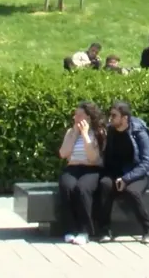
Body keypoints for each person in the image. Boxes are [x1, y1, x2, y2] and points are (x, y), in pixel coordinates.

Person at [96, 101, 149, 244]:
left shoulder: (139, 132)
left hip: (138, 173)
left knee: (132, 192)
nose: (110, 119)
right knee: (104, 185)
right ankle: (104, 230)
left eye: (114, 115)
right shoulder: (110, 131)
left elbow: (147, 162)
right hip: (117, 172)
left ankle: (148, 229)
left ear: (124, 118)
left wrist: (126, 179)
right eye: (110, 115)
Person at [57, 102, 104, 245]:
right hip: (73, 168)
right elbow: (63, 153)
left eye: (79, 115)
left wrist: (84, 135)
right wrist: (75, 134)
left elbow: (93, 158)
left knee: (82, 189)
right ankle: (71, 228)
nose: (75, 118)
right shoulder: (71, 132)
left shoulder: (98, 133)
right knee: (67, 187)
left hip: (91, 169)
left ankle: (85, 231)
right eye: (75, 115)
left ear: (88, 118)